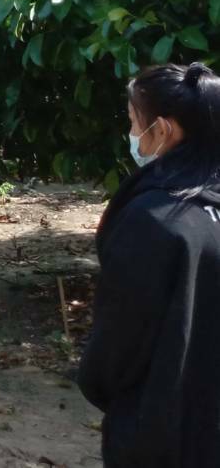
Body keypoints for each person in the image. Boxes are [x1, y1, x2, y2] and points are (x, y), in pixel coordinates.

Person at [77, 61, 220, 467]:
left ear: (162, 130)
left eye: (132, 122)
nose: (131, 135)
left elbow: (117, 345)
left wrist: (100, 384)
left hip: (164, 432)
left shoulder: (154, 219)